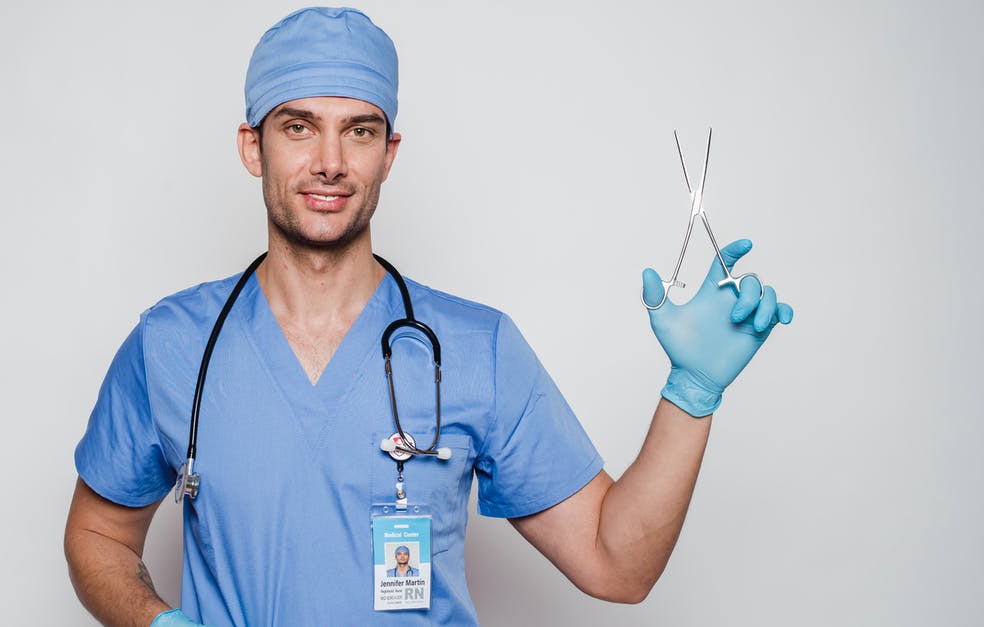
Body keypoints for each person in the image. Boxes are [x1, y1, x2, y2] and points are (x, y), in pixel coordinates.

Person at [63, 7, 793, 627]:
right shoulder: (172, 344)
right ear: (253, 147)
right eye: (299, 127)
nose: (329, 161)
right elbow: (97, 535)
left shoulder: (478, 349)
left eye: (359, 131)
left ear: (389, 154)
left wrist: (691, 393)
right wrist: (157, 623)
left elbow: (617, 564)